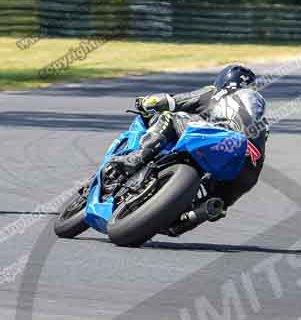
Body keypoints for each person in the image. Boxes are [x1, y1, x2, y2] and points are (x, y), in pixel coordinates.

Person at [106, 64, 269, 236]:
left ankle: (137, 158)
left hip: (219, 137)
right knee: (216, 202)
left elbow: (171, 101)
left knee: (168, 117)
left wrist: (146, 102)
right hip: (247, 170)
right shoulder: (262, 121)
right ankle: (191, 217)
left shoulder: (216, 93)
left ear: (223, 80)